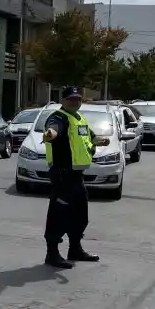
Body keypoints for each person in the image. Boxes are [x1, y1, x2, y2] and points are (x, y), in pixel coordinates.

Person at [41, 86, 110, 268]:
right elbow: (53, 130)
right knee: (58, 215)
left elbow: (89, 138)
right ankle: (52, 253)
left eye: (78, 99)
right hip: (63, 175)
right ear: (63, 101)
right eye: (71, 99)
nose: (75, 102)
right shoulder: (59, 117)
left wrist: (100, 141)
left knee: (80, 214)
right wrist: (51, 134)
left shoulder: (79, 119)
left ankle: (75, 249)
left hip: (77, 176)